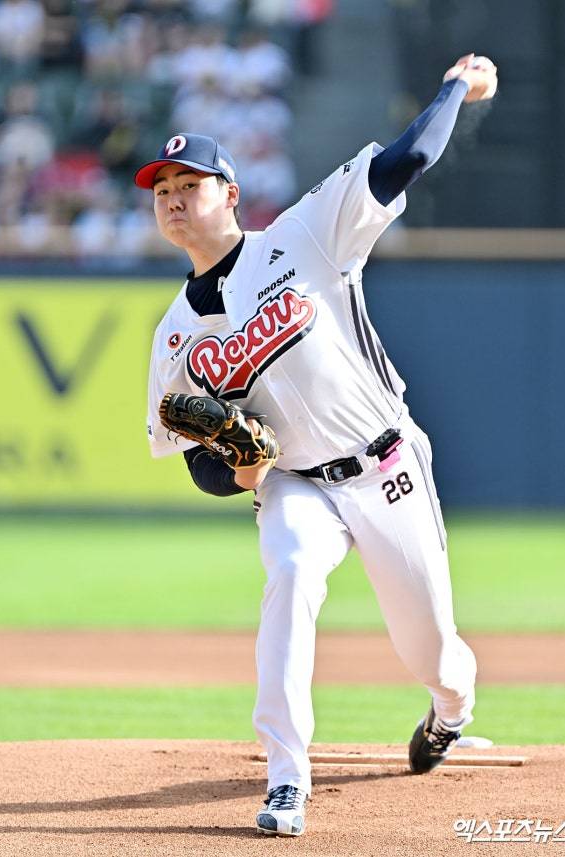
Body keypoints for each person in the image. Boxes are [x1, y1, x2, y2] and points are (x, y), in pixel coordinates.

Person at [137, 53, 498, 838]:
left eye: (190, 184)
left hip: (384, 462)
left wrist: (454, 87)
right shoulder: (173, 336)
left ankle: (449, 710)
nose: (174, 200)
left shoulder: (302, 234)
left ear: (230, 193)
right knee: (292, 570)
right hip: (295, 482)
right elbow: (199, 464)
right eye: (162, 191)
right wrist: (240, 471)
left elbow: (406, 157)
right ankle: (284, 777)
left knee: (431, 650)